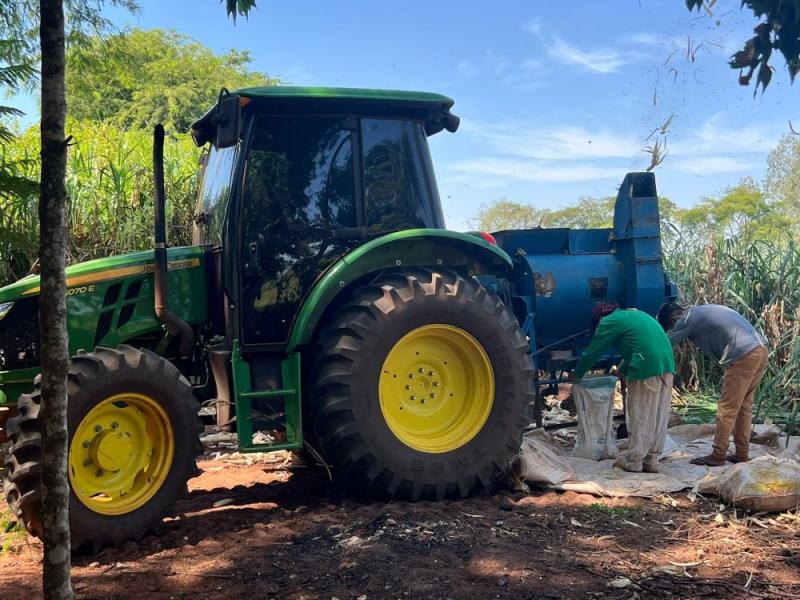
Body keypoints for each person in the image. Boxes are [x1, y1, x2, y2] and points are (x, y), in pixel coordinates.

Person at [658, 303, 768, 466]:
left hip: (742, 354)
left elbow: (664, 345)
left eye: (671, 327)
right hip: (760, 350)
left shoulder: (686, 319)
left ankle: (718, 455)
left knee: (727, 409)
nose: (675, 329)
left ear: (674, 317)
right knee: (744, 407)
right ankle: (742, 454)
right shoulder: (701, 311)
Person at [572, 302, 675, 473]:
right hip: (667, 365)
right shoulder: (638, 315)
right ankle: (651, 460)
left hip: (645, 366)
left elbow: (594, 351)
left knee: (641, 413)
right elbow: (640, 344)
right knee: (658, 414)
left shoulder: (609, 321)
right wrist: (624, 368)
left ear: (601, 317)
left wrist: (578, 373)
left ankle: (633, 460)